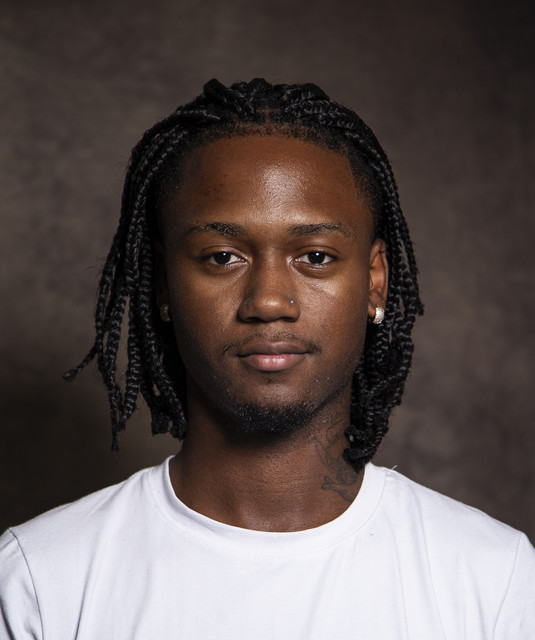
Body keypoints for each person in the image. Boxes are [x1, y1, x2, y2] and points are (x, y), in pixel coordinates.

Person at [1, 78, 533, 639]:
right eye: (222, 256)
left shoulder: (491, 578)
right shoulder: (41, 581)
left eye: (316, 256)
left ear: (375, 280)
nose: (270, 301)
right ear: (162, 282)